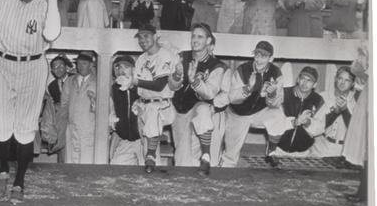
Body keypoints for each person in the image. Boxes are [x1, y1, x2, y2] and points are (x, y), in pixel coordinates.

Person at [0, 0, 63, 203]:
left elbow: (52, 34)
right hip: (1, 64)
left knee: (25, 129)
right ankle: (4, 170)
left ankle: (20, 179)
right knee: (1, 125)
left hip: (32, 67)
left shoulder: (45, 3)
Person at [168, 23, 226, 175]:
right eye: (193, 36)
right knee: (181, 158)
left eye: (200, 36)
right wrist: (176, 76)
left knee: (203, 109)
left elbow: (210, 94)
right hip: (180, 110)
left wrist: (195, 80)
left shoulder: (216, 66)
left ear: (208, 41)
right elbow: (172, 86)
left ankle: (206, 155)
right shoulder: (183, 56)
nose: (195, 39)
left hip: (199, 108)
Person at [120, 24, 176, 173]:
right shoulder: (141, 59)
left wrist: (134, 81)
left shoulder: (165, 55)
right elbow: (138, 86)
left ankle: (151, 159)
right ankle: (150, 172)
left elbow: (159, 85)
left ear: (155, 36)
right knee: (146, 143)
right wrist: (127, 82)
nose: (142, 40)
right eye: (140, 37)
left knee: (150, 147)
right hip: (143, 103)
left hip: (161, 104)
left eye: (146, 36)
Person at [221, 41, 286, 168]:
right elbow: (233, 99)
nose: (259, 59)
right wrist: (248, 88)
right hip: (238, 114)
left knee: (278, 115)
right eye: (257, 55)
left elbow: (276, 103)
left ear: (271, 58)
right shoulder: (243, 70)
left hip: (258, 112)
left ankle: (271, 151)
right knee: (230, 157)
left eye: (264, 56)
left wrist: (272, 94)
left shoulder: (276, 73)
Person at [309, 66, 358, 158]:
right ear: (335, 79)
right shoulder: (322, 96)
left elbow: (355, 131)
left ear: (352, 83)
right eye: (340, 78)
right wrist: (335, 112)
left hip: (342, 150)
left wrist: (344, 110)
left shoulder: (356, 102)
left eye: (347, 80)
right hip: (320, 147)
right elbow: (314, 128)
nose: (342, 83)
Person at [58, 51, 97, 164]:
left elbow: (105, 107)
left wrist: (94, 101)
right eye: (78, 63)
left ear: (91, 65)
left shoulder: (99, 81)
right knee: (71, 161)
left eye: (84, 63)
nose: (80, 66)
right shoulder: (70, 81)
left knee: (87, 162)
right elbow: (64, 104)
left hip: (90, 129)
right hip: (71, 128)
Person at [342, 44, 369, 202]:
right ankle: (363, 192)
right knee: (366, 149)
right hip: (367, 102)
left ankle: (365, 192)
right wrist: (363, 56)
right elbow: (356, 70)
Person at [277, 67, 325, 155]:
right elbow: (275, 122)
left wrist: (308, 122)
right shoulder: (283, 93)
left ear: (315, 85)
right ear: (298, 79)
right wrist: (295, 122)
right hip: (278, 149)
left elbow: (320, 127)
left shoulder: (318, 100)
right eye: (303, 78)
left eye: (309, 80)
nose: (305, 83)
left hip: (303, 152)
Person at [109, 55, 144, 165]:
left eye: (126, 67)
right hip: (125, 140)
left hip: (144, 139)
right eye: (118, 67)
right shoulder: (113, 89)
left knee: (149, 174)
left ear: (134, 69)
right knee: (116, 166)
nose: (121, 71)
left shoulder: (142, 86)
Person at [40, 54, 73, 157]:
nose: (58, 69)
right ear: (52, 71)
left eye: (61, 66)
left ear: (66, 67)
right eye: (55, 67)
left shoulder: (74, 80)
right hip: (62, 122)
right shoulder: (52, 86)